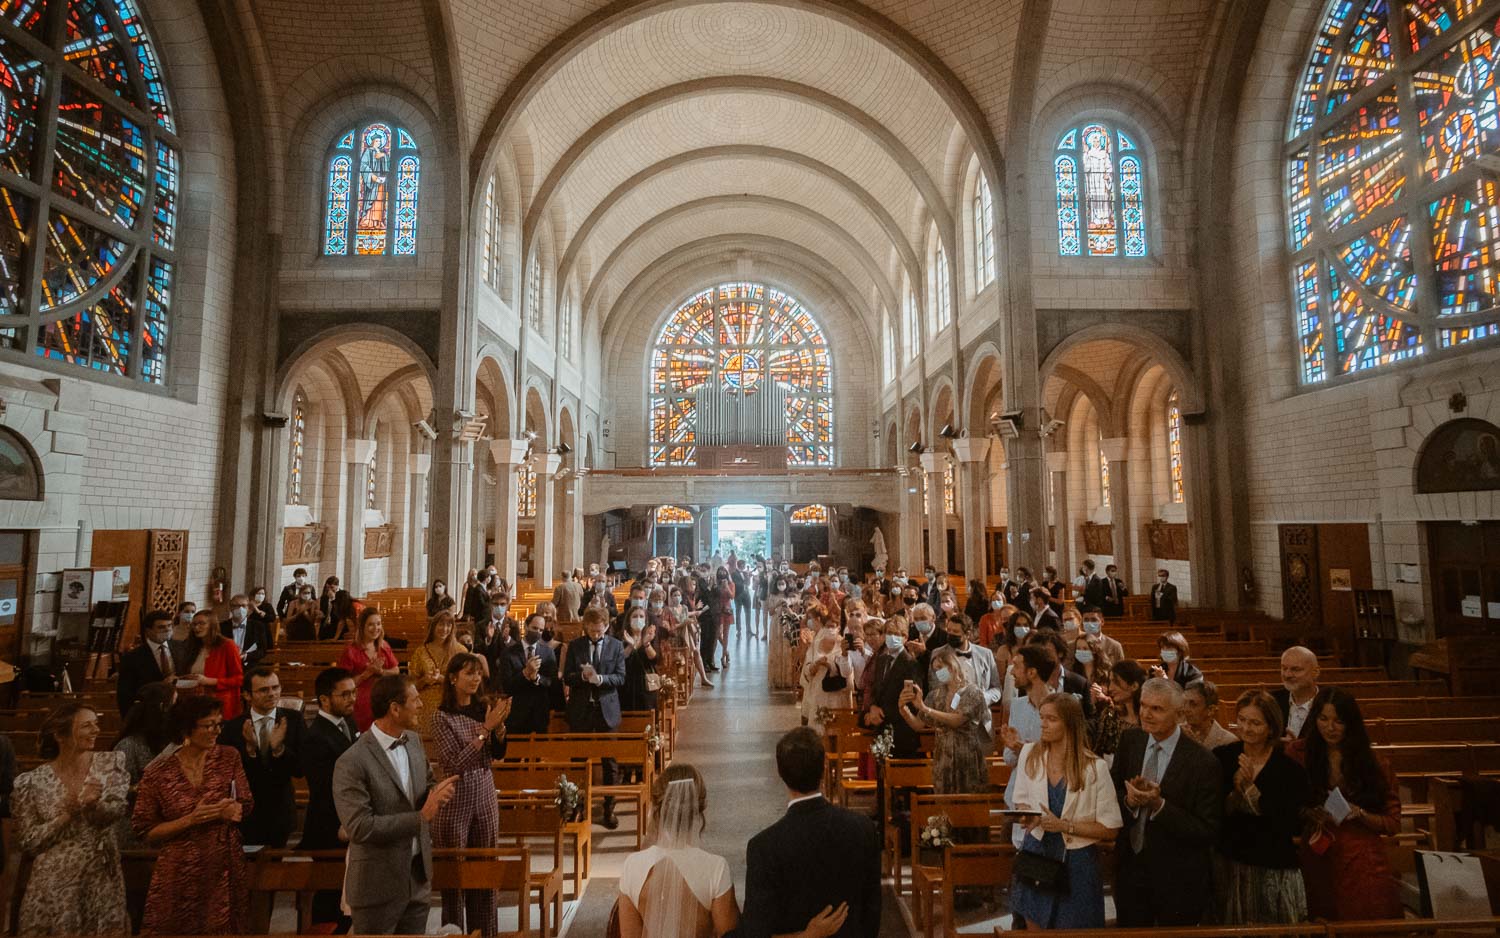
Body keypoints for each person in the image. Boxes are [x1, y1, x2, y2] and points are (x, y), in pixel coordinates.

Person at [333, 674, 459, 934]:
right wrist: (420, 817)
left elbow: (426, 782)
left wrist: (437, 793)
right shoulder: (352, 761)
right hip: (376, 884)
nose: (422, 705)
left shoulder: (412, 741)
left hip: (417, 876)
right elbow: (359, 827)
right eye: (415, 700)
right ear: (394, 708)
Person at [743, 726, 880, 938]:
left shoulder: (764, 847)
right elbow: (871, 912)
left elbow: (756, 932)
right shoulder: (862, 829)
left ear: (780, 772)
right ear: (824, 767)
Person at [134, 695, 254, 935]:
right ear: (186, 728)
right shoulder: (158, 772)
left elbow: (245, 802)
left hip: (223, 866)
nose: (216, 731)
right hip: (178, 869)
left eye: (219, 724)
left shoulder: (228, 757)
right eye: (209, 725)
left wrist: (234, 810)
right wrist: (190, 820)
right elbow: (144, 830)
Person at [1110, 677, 1222, 926]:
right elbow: (1111, 793)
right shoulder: (1131, 741)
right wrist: (1128, 799)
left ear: (1179, 714)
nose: (1146, 714)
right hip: (1131, 870)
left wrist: (1159, 806)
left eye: (1157, 709)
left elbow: (1208, 830)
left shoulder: (1203, 762)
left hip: (1178, 877)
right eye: (1143, 705)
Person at [13, 703, 131, 936]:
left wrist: (93, 805)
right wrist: (67, 816)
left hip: (100, 877)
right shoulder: (32, 782)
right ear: (60, 736)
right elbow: (28, 841)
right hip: (54, 883)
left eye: (95, 724)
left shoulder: (109, 764)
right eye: (86, 726)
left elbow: (117, 812)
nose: (96, 730)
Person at [1009, 693, 1123, 929]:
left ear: (1070, 723)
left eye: (1051, 719)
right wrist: (1026, 815)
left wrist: (1065, 826)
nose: (1043, 724)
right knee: (1034, 925)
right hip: (1038, 852)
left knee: (1073, 928)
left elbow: (1110, 828)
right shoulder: (1030, 754)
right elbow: (1020, 801)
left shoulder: (1095, 767)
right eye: (1042, 717)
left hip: (1077, 861)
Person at [1288, 688, 1402, 921]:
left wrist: (1359, 813)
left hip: (1361, 855)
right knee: (1323, 918)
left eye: (1338, 721)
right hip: (1318, 849)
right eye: (1323, 719)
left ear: (1351, 723)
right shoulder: (1299, 753)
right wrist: (1310, 813)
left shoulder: (1375, 763)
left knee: (1366, 917)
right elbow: (1287, 803)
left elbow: (1393, 823)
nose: (1330, 728)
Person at [1213, 690, 1309, 925]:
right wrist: (1237, 792)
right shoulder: (1223, 757)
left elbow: (1289, 822)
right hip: (1233, 860)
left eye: (1255, 722)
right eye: (1242, 720)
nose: (1246, 728)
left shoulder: (1288, 768)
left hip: (1273, 863)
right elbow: (1215, 812)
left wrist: (1250, 789)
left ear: (1271, 727)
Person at [431, 654, 509, 936]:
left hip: (485, 794)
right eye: (469, 673)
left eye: (478, 673)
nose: (476, 679)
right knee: (456, 879)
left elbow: (496, 755)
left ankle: (486, 933)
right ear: (453, 678)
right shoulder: (442, 717)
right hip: (455, 799)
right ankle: (454, 933)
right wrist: (486, 730)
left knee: (485, 873)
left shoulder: (482, 708)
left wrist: (499, 733)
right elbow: (454, 764)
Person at [617, 764, 739, 938]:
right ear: (699, 809)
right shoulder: (716, 868)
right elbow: (729, 934)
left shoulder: (632, 865)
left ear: (659, 808)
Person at [219, 666, 303, 847]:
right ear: (247, 695)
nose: (272, 694)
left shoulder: (293, 720)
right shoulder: (233, 727)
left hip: (281, 810)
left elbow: (299, 769)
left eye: (275, 687)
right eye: (264, 690)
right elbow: (227, 774)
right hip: (247, 813)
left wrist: (279, 749)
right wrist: (250, 749)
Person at [300, 667, 358, 928]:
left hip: (350, 821)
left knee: (348, 896)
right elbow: (324, 789)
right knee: (330, 896)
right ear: (324, 700)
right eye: (345, 694)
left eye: (354, 692)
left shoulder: (349, 723)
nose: (352, 698)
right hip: (330, 826)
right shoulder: (315, 737)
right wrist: (343, 824)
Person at [899, 645, 992, 794]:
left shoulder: (972, 692)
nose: (938, 672)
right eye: (935, 670)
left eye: (940, 667)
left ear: (952, 666)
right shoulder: (935, 695)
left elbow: (956, 720)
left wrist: (925, 708)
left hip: (967, 757)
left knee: (969, 808)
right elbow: (918, 725)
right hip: (944, 759)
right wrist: (903, 709)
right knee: (944, 806)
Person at [565, 608, 627, 829]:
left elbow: (620, 677)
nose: (594, 635)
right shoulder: (575, 646)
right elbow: (568, 676)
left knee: (609, 761)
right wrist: (582, 676)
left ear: (606, 627)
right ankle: (577, 805)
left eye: (598, 631)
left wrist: (600, 679)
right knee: (578, 759)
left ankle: (609, 806)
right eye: (591, 631)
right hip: (581, 709)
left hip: (606, 709)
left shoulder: (616, 646)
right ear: (585, 628)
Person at [113, 682, 176, 847]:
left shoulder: (174, 742)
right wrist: (137, 787)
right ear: (163, 707)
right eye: (175, 704)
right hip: (136, 829)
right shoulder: (128, 746)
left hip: (169, 825)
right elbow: (114, 791)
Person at [863, 616, 923, 759]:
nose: (891, 637)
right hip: (881, 731)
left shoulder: (911, 664)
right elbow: (876, 691)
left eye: (896, 634)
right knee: (882, 778)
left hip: (902, 732)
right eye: (888, 633)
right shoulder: (882, 660)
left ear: (905, 637)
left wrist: (881, 713)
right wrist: (872, 708)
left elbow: (911, 702)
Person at [338, 606, 400, 731]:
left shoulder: (384, 646)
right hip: (361, 705)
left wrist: (381, 672)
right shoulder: (351, 651)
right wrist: (367, 673)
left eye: (378, 624)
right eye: (371, 624)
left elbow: (396, 671)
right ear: (362, 627)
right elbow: (342, 684)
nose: (376, 628)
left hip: (384, 702)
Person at [504, 612, 560, 736]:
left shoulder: (548, 652)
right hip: (517, 713)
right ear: (526, 626)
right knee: (514, 754)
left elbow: (552, 682)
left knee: (539, 752)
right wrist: (525, 673)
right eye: (535, 628)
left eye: (541, 630)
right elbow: (506, 686)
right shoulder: (509, 652)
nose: (538, 632)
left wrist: (537, 678)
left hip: (539, 713)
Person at [184, 609, 244, 719]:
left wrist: (211, 681)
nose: (197, 628)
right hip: (196, 702)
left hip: (219, 704)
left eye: (202, 623)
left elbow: (239, 679)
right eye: (194, 624)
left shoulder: (227, 645)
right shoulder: (193, 647)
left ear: (212, 625)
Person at [410, 610, 462, 736]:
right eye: (441, 624)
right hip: (425, 705)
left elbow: (465, 681)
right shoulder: (420, 652)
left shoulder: (460, 650)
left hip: (450, 702)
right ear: (434, 626)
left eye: (448, 625)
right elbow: (411, 685)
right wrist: (424, 681)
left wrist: (441, 679)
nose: (444, 629)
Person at [116, 610, 176, 716]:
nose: (167, 629)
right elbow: (125, 694)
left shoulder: (181, 649)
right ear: (148, 631)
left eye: (169, 626)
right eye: (161, 627)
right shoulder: (132, 658)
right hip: (149, 713)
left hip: (178, 711)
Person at [801, 627, 853, 736]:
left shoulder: (841, 648)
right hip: (819, 695)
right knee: (818, 729)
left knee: (835, 730)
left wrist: (830, 667)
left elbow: (846, 673)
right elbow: (807, 671)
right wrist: (817, 664)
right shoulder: (815, 648)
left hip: (837, 696)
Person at [1273, 645, 1322, 740]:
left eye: (1295, 669)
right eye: (1284, 668)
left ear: (1315, 672)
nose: (1287, 675)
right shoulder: (1271, 700)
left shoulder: (1330, 702)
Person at [1182, 679, 1238, 750]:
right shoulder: (1175, 734)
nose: (1186, 709)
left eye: (1193, 704)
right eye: (1184, 703)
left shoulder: (1228, 742)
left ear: (1211, 710)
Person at [621, 617, 661, 715]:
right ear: (629, 620)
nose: (638, 619)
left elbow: (655, 659)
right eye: (634, 616)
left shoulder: (650, 637)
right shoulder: (622, 637)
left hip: (646, 684)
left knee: (647, 718)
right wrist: (631, 646)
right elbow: (620, 659)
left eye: (641, 616)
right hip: (627, 684)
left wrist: (646, 643)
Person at [220, 593, 270, 670]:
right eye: (236, 606)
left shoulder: (258, 626)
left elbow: (262, 650)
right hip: (226, 667)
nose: (240, 609)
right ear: (230, 608)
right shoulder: (221, 626)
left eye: (243, 606)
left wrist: (247, 656)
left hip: (249, 667)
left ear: (248, 608)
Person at [1109, 658, 1147, 731]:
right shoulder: (1112, 716)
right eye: (1110, 682)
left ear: (1134, 686)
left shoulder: (1149, 720)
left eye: (1115, 682)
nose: (1110, 688)